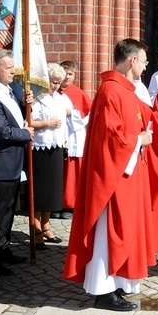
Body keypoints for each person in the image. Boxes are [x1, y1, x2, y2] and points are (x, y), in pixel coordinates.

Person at [63, 38, 158, 312]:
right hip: (113, 178)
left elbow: (148, 118)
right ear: (132, 60)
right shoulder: (111, 91)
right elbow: (109, 137)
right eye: (144, 62)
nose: (145, 68)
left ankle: (118, 283)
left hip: (127, 175)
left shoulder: (127, 91)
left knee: (125, 230)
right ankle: (103, 290)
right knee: (110, 232)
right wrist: (138, 141)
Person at [0, 48, 34, 272]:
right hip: (1, 163)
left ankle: (3, 249)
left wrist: (25, 103)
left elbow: (15, 119)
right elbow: (0, 131)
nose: (13, 71)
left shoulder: (10, 91)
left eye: (13, 66)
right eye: (8, 67)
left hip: (13, 164)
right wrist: (26, 134)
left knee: (8, 212)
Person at [28, 63, 69, 249]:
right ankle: (35, 226)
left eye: (59, 83)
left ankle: (45, 223)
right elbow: (28, 122)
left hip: (56, 146)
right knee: (40, 191)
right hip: (40, 147)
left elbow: (66, 118)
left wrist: (65, 139)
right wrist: (47, 123)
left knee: (52, 191)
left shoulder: (60, 98)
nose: (56, 86)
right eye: (53, 82)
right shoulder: (36, 98)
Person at [57, 60, 91, 220]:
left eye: (70, 74)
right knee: (59, 172)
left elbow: (88, 115)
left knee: (73, 173)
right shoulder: (53, 92)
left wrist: (72, 113)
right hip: (58, 136)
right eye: (64, 73)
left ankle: (71, 205)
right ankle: (56, 204)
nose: (67, 77)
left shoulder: (79, 94)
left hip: (74, 136)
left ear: (74, 75)